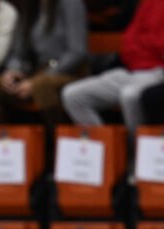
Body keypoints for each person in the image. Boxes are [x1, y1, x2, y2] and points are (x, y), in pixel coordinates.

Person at [0, 0, 88, 126]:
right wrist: (14, 71)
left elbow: (77, 52)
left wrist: (39, 78)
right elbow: (18, 53)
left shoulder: (70, 3)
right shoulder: (29, 6)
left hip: (68, 72)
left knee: (41, 86)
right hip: (36, 72)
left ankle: (56, 136)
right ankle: (6, 136)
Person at [61, 0, 164, 134]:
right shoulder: (148, 3)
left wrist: (144, 46)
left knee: (129, 95)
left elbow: (158, 46)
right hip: (131, 70)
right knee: (73, 95)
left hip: (157, 72)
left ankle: (135, 146)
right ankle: (102, 143)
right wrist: (144, 47)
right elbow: (129, 42)